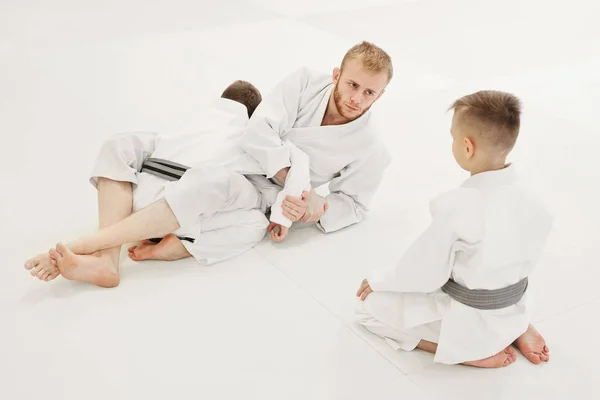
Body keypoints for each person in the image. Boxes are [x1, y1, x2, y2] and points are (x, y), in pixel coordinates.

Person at [355, 90, 552, 368]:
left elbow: (425, 275)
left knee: (367, 309)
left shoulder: (458, 206)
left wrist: (382, 280)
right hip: (513, 306)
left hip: (471, 319)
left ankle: (467, 353)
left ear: (467, 147)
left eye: (453, 138)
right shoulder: (534, 199)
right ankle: (518, 326)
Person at [24, 80, 276, 286]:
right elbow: (270, 192)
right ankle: (100, 250)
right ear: (252, 112)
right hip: (183, 213)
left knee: (118, 145)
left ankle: (108, 259)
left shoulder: (192, 120)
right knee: (258, 221)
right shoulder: (251, 132)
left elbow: (153, 145)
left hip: (137, 199)